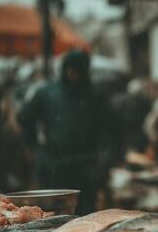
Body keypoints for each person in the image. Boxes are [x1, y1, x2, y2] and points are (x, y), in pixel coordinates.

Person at [19, 50, 120, 215]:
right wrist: (35, 150)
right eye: (70, 70)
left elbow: (114, 132)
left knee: (84, 218)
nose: (73, 75)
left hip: (87, 169)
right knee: (53, 217)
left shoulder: (96, 96)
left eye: (77, 71)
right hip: (54, 167)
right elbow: (25, 119)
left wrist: (105, 161)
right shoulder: (47, 93)